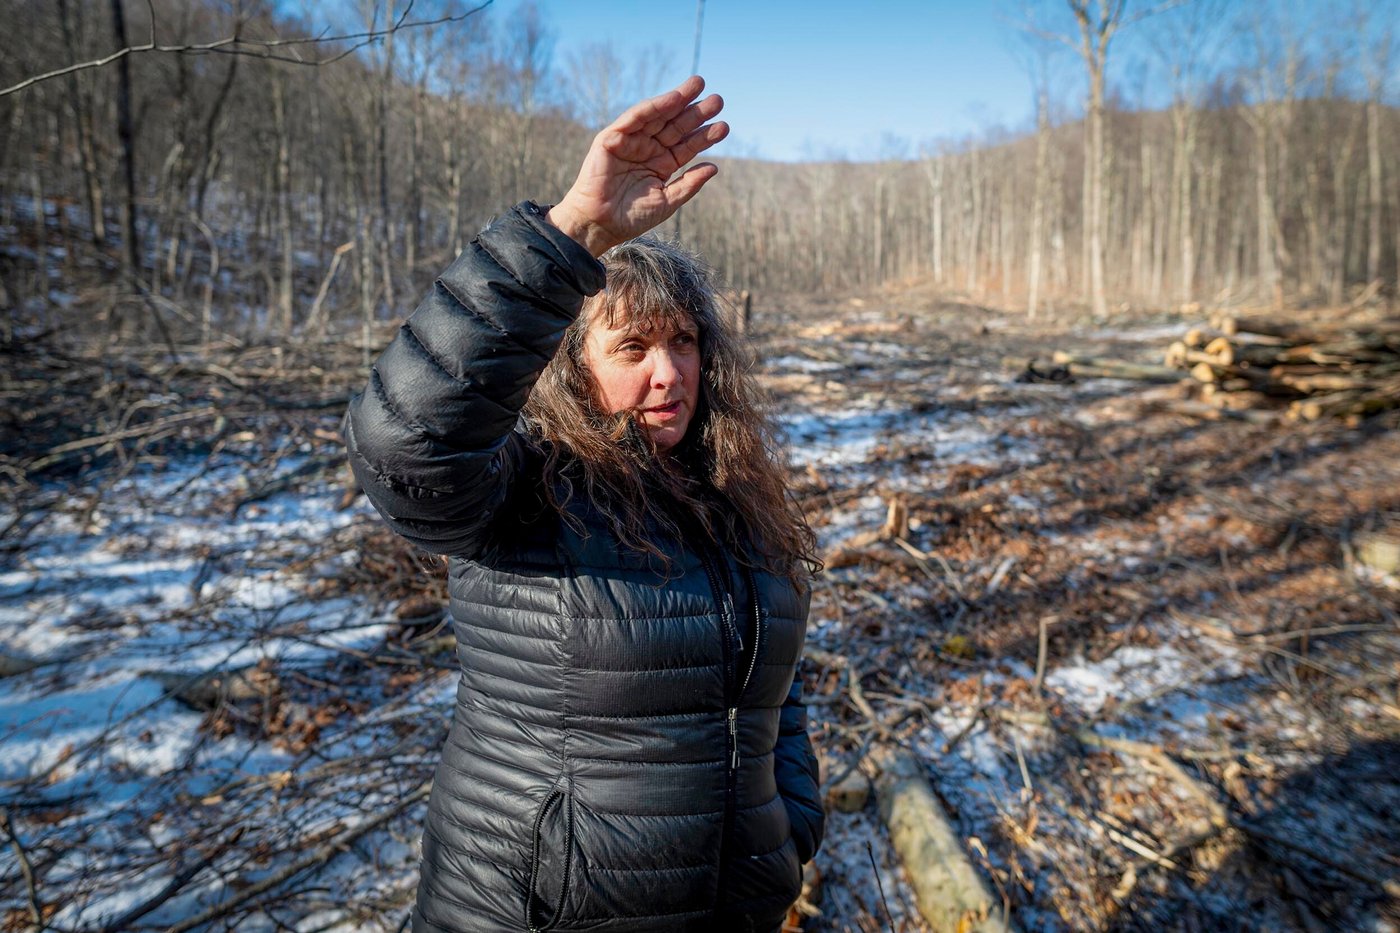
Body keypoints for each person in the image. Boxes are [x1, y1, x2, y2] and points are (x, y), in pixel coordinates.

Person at [345, 76, 824, 933]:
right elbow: (403, 444)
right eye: (632, 346)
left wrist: (789, 824)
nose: (668, 372)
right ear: (572, 365)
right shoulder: (527, 489)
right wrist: (574, 236)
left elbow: (775, 691)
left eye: (682, 341)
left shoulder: (732, 497)